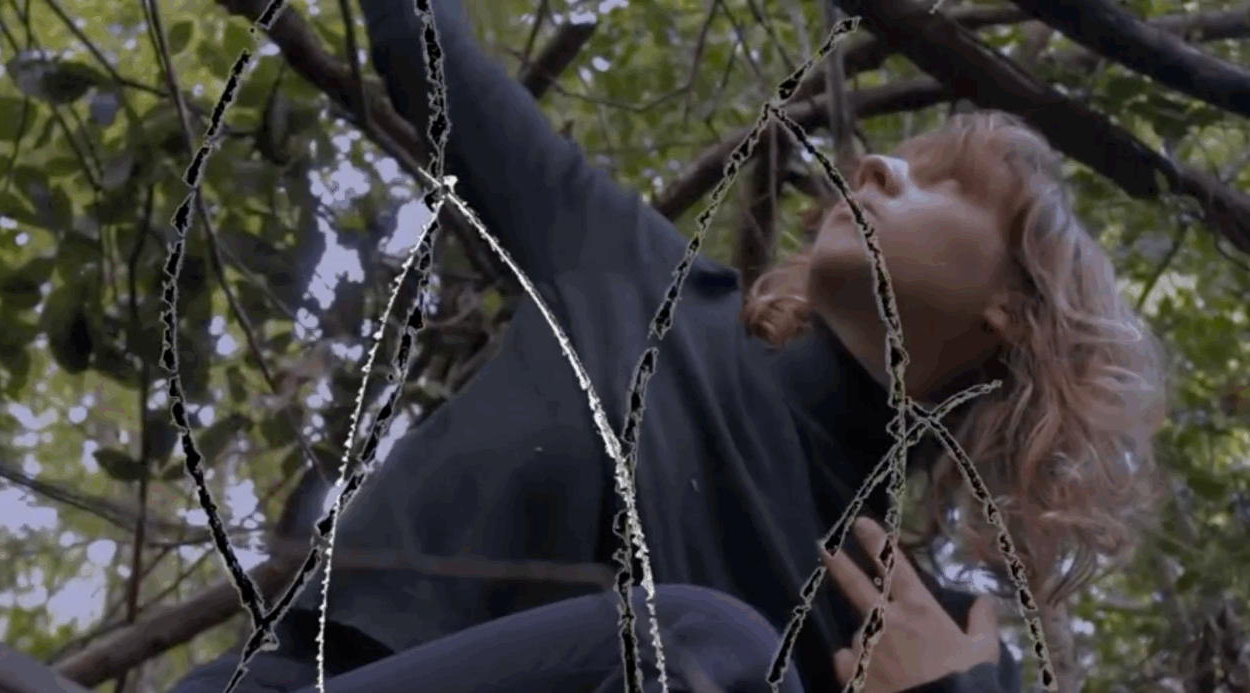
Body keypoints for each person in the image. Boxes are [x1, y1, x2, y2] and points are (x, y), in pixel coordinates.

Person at [168, 0, 1167, 690]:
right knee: (706, 644)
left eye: (946, 182)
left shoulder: (904, 620)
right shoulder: (634, 273)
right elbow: (425, 48)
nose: (874, 167)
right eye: (894, 156)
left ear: (1012, 310)